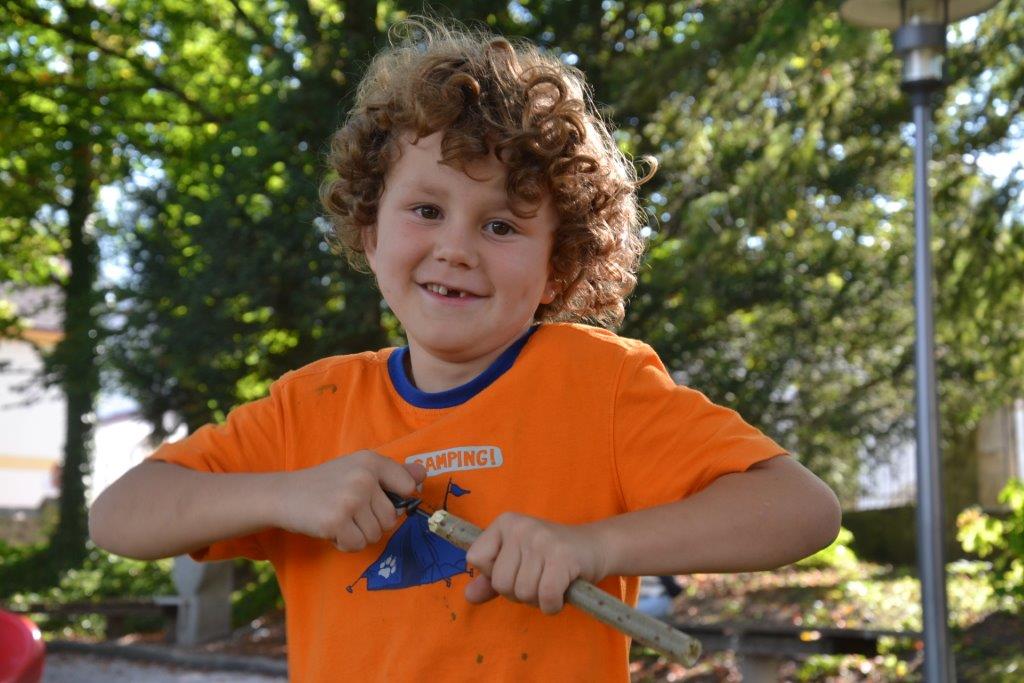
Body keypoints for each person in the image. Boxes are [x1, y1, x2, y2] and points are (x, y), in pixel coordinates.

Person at [89, 18, 841, 682]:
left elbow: (802, 510)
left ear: (558, 267)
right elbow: (120, 516)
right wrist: (285, 495)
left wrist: (591, 546)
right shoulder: (307, 409)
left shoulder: (600, 384)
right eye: (425, 209)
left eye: (502, 225)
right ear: (371, 231)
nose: (456, 248)